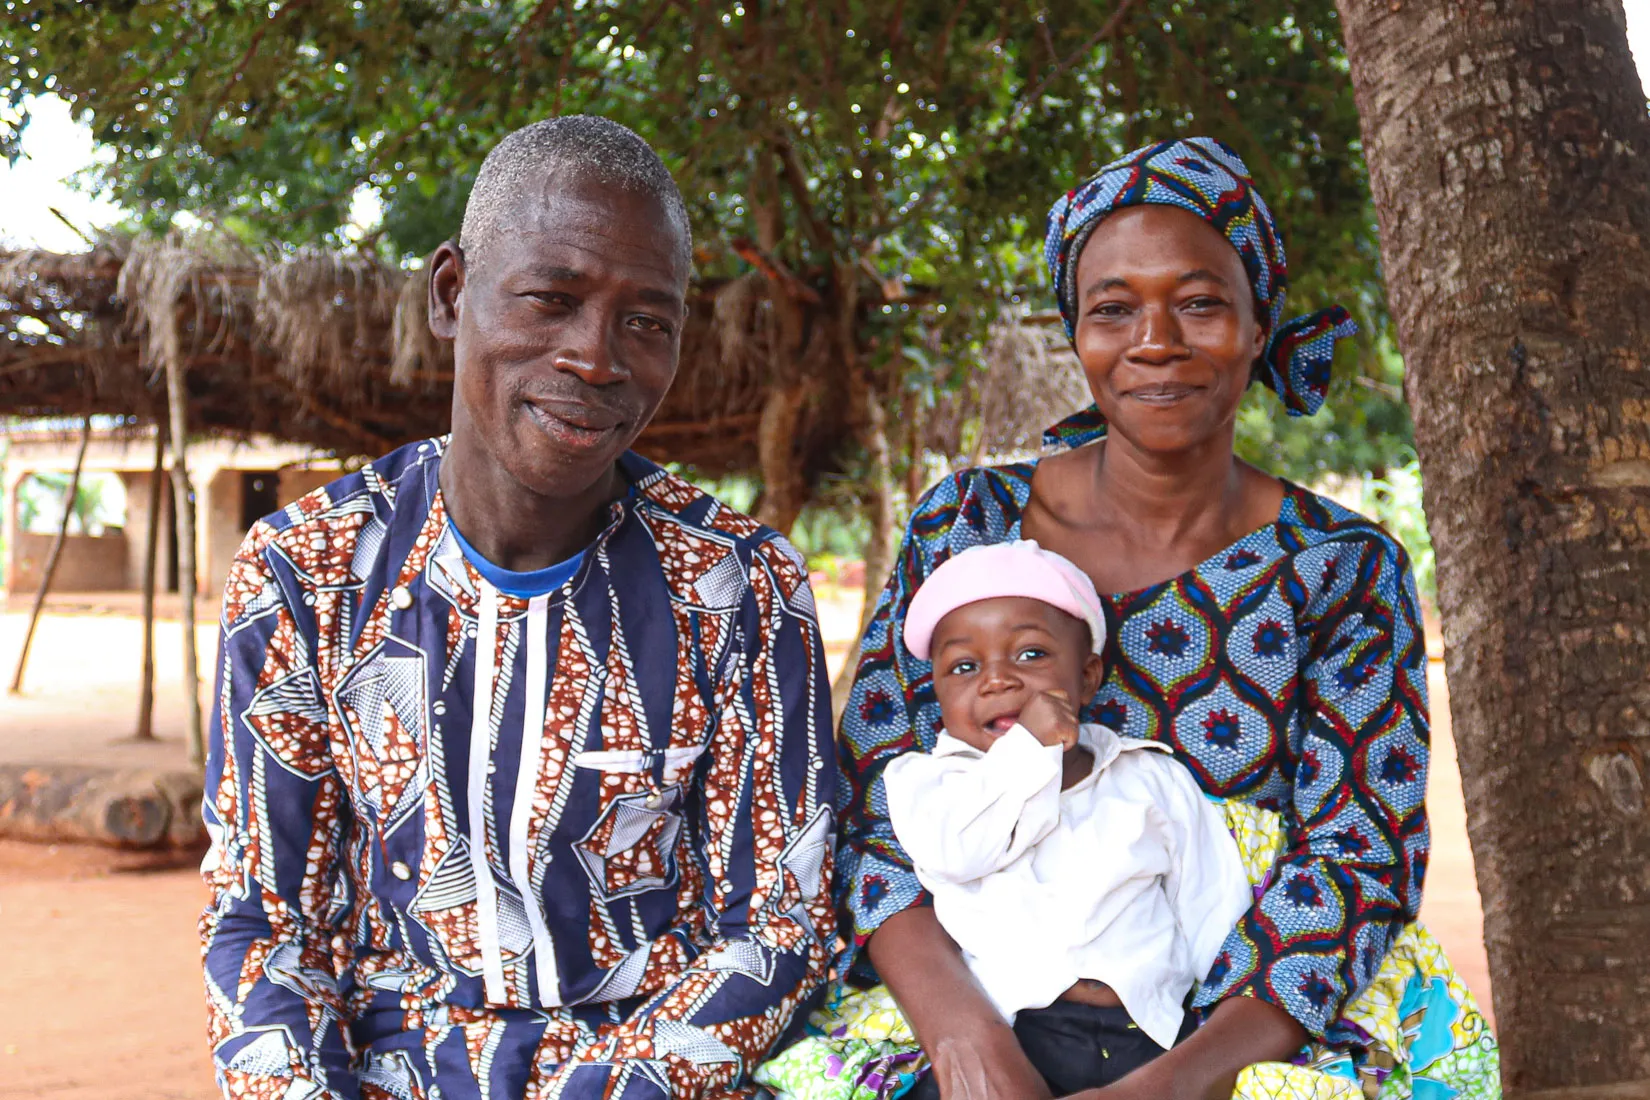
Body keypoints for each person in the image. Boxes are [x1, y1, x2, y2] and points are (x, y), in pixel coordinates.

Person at [834, 138, 1500, 1100]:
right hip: (965, 986)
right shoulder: (968, 525)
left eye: (1199, 302)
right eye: (1113, 309)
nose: (1156, 341)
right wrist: (966, 1040)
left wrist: (1176, 1080)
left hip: (1243, 1015)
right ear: (1077, 333)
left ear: (1258, 322)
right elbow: (871, 804)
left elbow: (1359, 855)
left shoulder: (1342, 569)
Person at [199, 116, 837, 1100]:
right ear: (453, 293)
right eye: (553, 298)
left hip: (649, 1076)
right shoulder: (307, 569)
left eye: (646, 320)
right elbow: (265, 921)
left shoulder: (740, 585)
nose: (595, 357)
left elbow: (778, 923)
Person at [883, 540, 1252, 1098]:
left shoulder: (1149, 777)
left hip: (1148, 1040)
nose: (997, 680)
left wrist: (1218, 1030)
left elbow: (1215, 910)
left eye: (1030, 655)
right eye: (964, 666)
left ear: (1088, 674)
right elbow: (958, 853)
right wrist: (1029, 747)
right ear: (937, 692)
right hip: (1011, 1041)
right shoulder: (927, 784)